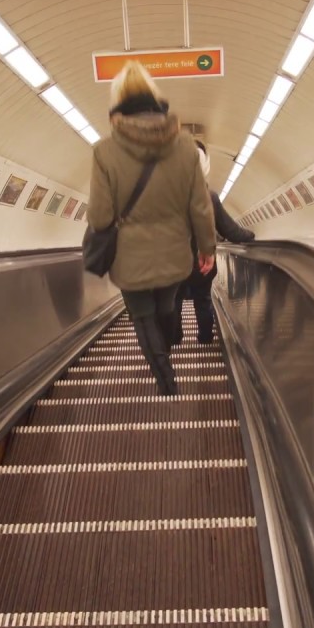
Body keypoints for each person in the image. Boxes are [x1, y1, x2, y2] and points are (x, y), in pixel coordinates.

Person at [88, 62, 216, 396]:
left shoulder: (104, 152)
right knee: (166, 308)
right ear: (155, 98)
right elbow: (200, 207)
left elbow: (100, 218)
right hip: (175, 254)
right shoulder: (187, 146)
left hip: (129, 258)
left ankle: (165, 379)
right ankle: (170, 348)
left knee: (143, 316)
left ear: (117, 104)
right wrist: (207, 249)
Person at [170, 140, 256, 345]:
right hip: (201, 267)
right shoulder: (209, 197)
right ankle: (205, 338)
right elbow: (232, 231)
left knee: (174, 303)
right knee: (203, 301)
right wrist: (251, 235)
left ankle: (174, 338)